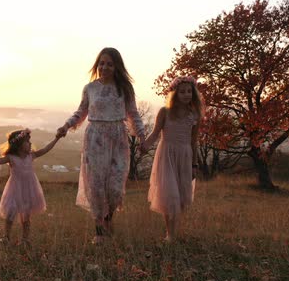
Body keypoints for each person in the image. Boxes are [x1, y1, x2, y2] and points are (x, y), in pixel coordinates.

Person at [57, 47, 145, 245]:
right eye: (101, 63)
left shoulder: (125, 89)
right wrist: (66, 125)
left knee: (115, 187)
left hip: (118, 138)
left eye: (109, 64)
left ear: (117, 67)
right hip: (95, 139)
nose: (104, 67)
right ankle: (99, 231)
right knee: (96, 186)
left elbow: (133, 114)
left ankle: (108, 220)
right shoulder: (90, 88)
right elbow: (81, 111)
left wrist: (142, 136)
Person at [140, 76, 204, 242]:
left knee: (180, 197)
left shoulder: (194, 115)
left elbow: (193, 141)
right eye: (182, 91)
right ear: (175, 93)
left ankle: (173, 233)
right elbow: (155, 133)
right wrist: (145, 145)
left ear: (194, 93)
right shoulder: (165, 112)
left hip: (185, 156)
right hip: (166, 155)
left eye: (189, 91)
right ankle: (170, 234)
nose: (186, 95)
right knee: (169, 195)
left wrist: (194, 164)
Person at [0, 128, 61, 247]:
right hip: (14, 189)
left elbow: (46, 149)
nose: (30, 144)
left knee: (26, 217)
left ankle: (25, 240)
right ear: (19, 145)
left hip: (29, 188)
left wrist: (56, 139)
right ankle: (6, 237)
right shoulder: (11, 157)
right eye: (27, 142)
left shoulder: (31, 156)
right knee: (10, 214)